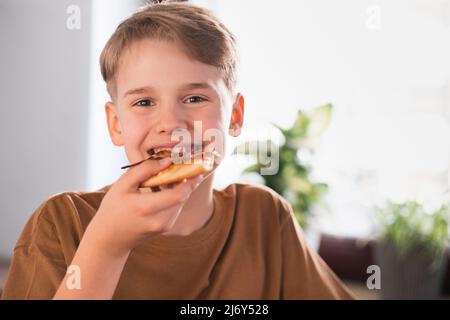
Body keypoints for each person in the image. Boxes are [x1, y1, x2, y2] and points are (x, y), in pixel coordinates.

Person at [1, 1, 354, 300]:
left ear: (235, 116)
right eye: (144, 101)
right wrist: (106, 246)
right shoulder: (61, 223)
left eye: (195, 98)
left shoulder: (265, 219)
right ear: (116, 125)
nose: (170, 123)